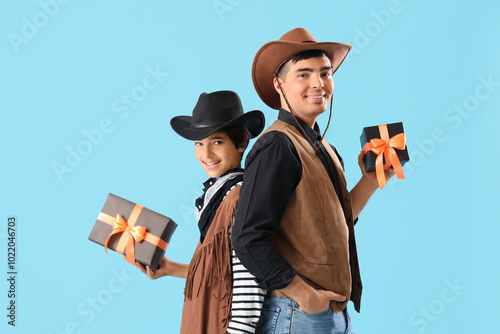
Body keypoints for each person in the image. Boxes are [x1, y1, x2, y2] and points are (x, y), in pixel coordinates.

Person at [232, 28, 396, 333]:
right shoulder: (276, 146)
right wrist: (305, 296)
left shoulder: (325, 148)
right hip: (298, 314)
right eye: (303, 74)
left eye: (326, 72)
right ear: (278, 84)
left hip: (329, 314)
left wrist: (372, 181)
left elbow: (335, 222)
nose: (318, 83)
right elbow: (247, 237)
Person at [135, 90, 266, 334]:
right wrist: (170, 268)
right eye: (199, 143)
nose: (206, 154)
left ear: (242, 143)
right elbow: (222, 273)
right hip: (205, 319)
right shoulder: (219, 195)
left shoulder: (239, 197)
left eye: (217, 142)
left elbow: (250, 277)